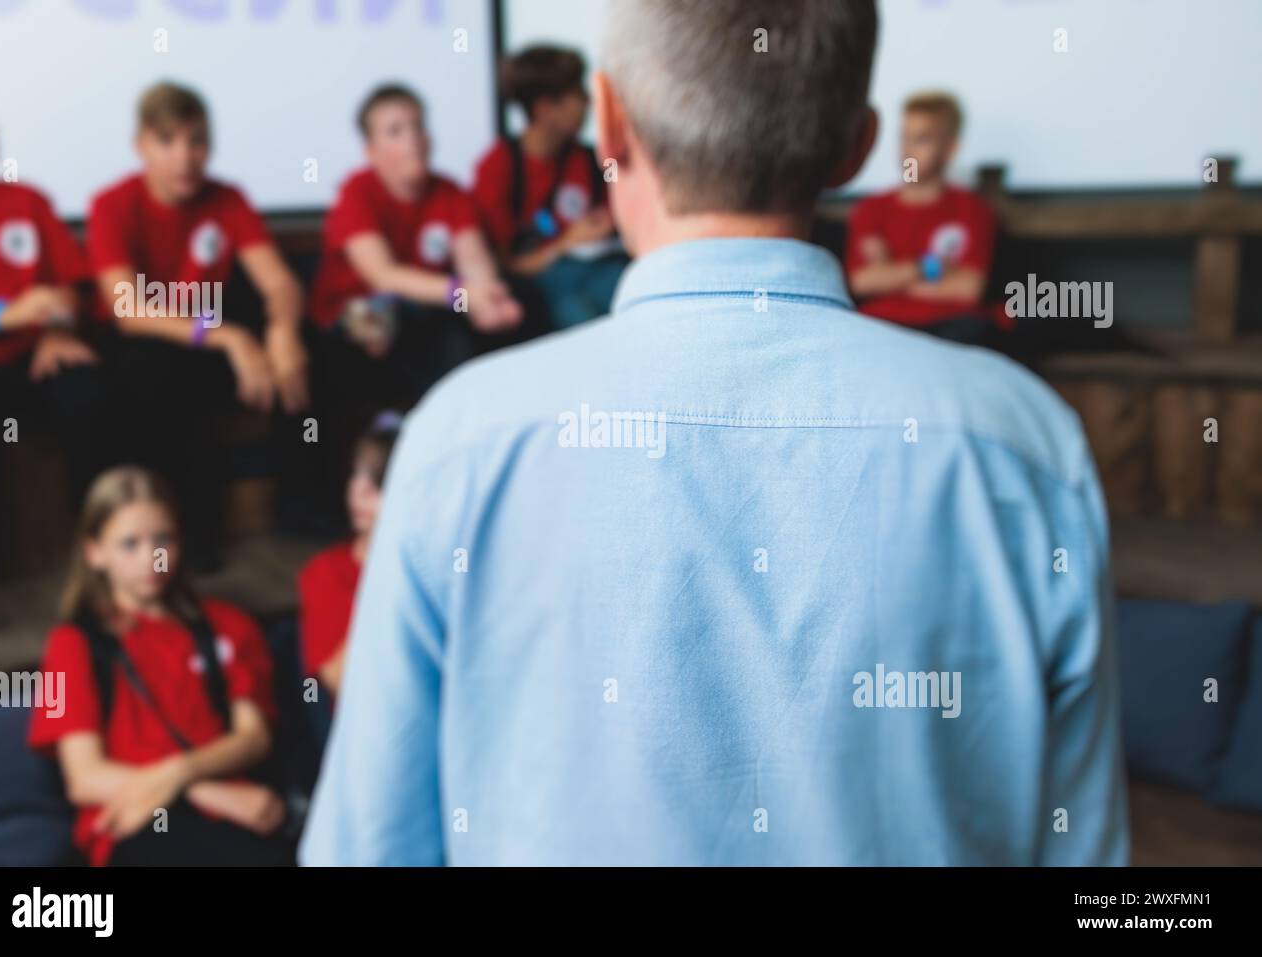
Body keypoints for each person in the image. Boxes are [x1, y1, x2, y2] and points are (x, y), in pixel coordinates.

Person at [303, 0, 1127, 866]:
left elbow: (370, 849)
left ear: (610, 122)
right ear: (856, 143)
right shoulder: (1025, 445)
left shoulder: (460, 442)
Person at [87, 82, 310, 568]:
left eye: (197, 141)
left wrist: (283, 332)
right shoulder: (112, 204)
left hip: (206, 338)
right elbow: (128, 310)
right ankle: (172, 539)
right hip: (148, 345)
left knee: (305, 351)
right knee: (153, 372)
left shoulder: (227, 199)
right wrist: (230, 336)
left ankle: (303, 519)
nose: (185, 157)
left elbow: (279, 282)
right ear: (140, 145)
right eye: (167, 141)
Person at [28, 466, 293, 866]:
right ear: (94, 552)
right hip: (136, 822)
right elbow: (84, 778)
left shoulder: (229, 625)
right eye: (129, 544)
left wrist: (181, 775)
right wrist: (195, 787)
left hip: (236, 818)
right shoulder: (69, 645)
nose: (151, 558)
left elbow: (254, 737)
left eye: (162, 539)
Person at [311, 85, 518, 513]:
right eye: (396, 130)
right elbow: (381, 274)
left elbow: (473, 259)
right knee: (389, 324)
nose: (413, 139)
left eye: (418, 126)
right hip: (347, 322)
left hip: (423, 319)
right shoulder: (357, 194)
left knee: (472, 339)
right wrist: (464, 293)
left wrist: (490, 296)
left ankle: (465, 488)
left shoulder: (449, 192)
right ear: (370, 150)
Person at [0, 78, 104, 585]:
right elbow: (15, 309)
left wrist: (56, 328)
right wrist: (7, 315)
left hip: (33, 357)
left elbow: (71, 285)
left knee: (87, 390)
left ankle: (102, 545)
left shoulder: (27, 201)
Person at [472, 45, 627, 331]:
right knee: (574, 299)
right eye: (578, 94)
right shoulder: (498, 166)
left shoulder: (593, 160)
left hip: (602, 270)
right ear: (545, 108)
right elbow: (505, 265)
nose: (588, 103)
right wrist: (566, 243)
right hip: (548, 287)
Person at [845, 91, 1002, 345]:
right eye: (904, 138)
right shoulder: (872, 209)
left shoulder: (972, 210)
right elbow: (861, 283)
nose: (907, 150)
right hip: (880, 327)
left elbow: (969, 289)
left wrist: (891, 275)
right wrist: (932, 267)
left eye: (922, 139)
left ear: (950, 149)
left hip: (950, 331)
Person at [297, 413, 400, 700]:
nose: (358, 490)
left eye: (380, 479)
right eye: (356, 473)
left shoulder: (446, 564)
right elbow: (337, 681)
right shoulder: (327, 570)